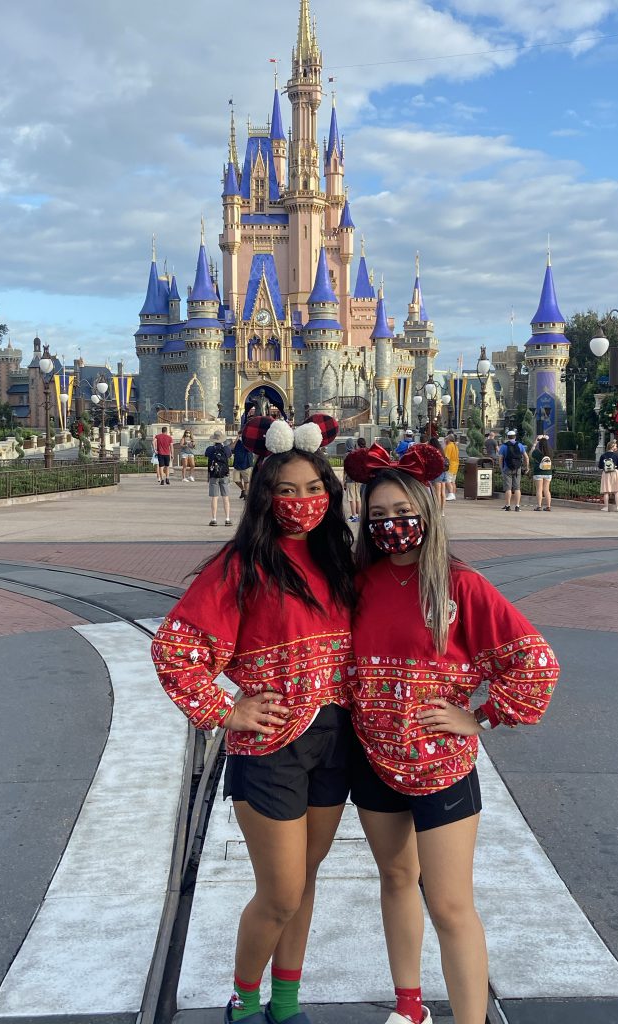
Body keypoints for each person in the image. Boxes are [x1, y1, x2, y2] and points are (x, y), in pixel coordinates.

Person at [343, 441, 560, 1024]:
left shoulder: (459, 585)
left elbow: (535, 661)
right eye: (379, 515)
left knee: (449, 903)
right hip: (372, 759)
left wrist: (481, 716)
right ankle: (409, 1008)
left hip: (441, 766)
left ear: (428, 513)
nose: (393, 526)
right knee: (395, 878)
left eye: (403, 513)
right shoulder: (357, 584)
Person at [152, 415, 356, 1024]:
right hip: (270, 747)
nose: (302, 503)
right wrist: (227, 708)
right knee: (281, 891)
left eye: (314, 490)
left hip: (336, 739)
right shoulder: (241, 566)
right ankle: (242, 1002)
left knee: (306, 882)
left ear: (332, 493)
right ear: (264, 495)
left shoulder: (340, 558)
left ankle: (286, 1002)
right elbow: (175, 651)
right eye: (286, 492)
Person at [206, 430, 232, 526]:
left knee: (214, 498)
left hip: (213, 475)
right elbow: (229, 457)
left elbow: (207, 456)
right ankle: (227, 519)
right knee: (226, 498)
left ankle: (214, 519)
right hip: (224, 475)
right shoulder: (226, 449)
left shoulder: (210, 449)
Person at [498, 429, 528, 511]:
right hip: (517, 468)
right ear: (515, 437)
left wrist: (501, 468)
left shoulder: (504, 446)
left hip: (507, 468)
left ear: (508, 437)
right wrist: (526, 467)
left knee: (508, 488)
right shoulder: (520, 445)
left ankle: (508, 505)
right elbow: (526, 457)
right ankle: (517, 506)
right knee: (517, 488)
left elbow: (500, 458)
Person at [598, 439, 618, 512]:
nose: (616, 447)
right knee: (616, 491)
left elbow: (600, 466)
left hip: (606, 473)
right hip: (614, 473)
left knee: (606, 491)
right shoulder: (617, 455)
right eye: (615, 446)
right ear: (612, 447)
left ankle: (606, 507)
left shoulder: (603, 455)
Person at [530, 435, 554, 511]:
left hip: (538, 472)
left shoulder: (537, 452)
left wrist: (535, 443)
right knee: (547, 490)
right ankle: (548, 506)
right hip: (548, 472)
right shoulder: (550, 452)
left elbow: (530, 454)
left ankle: (539, 506)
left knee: (539, 489)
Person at [232, 431, 254, 500]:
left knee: (246, 481)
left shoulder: (248, 442)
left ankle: (246, 494)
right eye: (239, 435)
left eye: (242, 435)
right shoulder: (237, 442)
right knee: (236, 480)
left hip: (246, 464)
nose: (241, 437)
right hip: (237, 464)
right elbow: (232, 448)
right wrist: (237, 439)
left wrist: (245, 440)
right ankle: (243, 490)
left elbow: (249, 449)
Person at [428, 435, 447, 515]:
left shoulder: (434, 451)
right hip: (444, 472)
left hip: (437, 472)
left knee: (437, 493)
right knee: (443, 493)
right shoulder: (441, 450)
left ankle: (437, 510)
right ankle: (442, 511)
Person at [443, 432, 459, 500]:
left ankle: (451, 494)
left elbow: (446, 457)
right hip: (455, 465)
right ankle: (453, 494)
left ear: (448, 439)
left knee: (447, 480)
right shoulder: (455, 446)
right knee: (453, 481)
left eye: (446, 439)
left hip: (450, 466)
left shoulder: (449, 446)